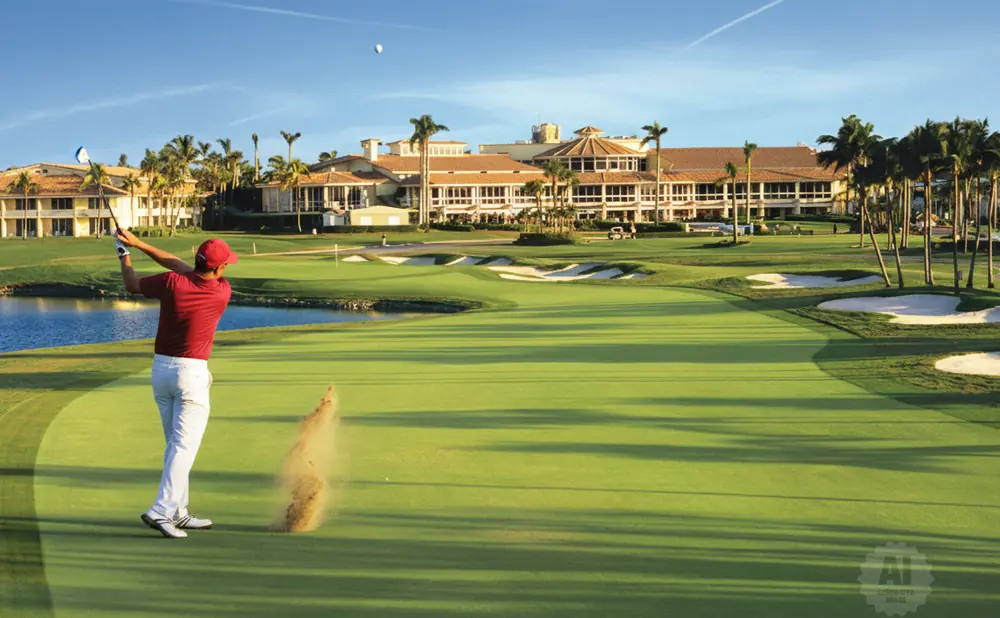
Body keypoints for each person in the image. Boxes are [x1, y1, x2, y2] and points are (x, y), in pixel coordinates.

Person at [114, 229, 238, 539]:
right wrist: (137, 243)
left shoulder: (173, 284)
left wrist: (126, 251)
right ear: (219, 268)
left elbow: (132, 284)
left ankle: (180, 512)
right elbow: (179, 265)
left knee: (174, 447)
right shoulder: (222, 291)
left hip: (161, 373)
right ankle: (161, 510)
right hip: (191, 375)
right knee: (184, 448)